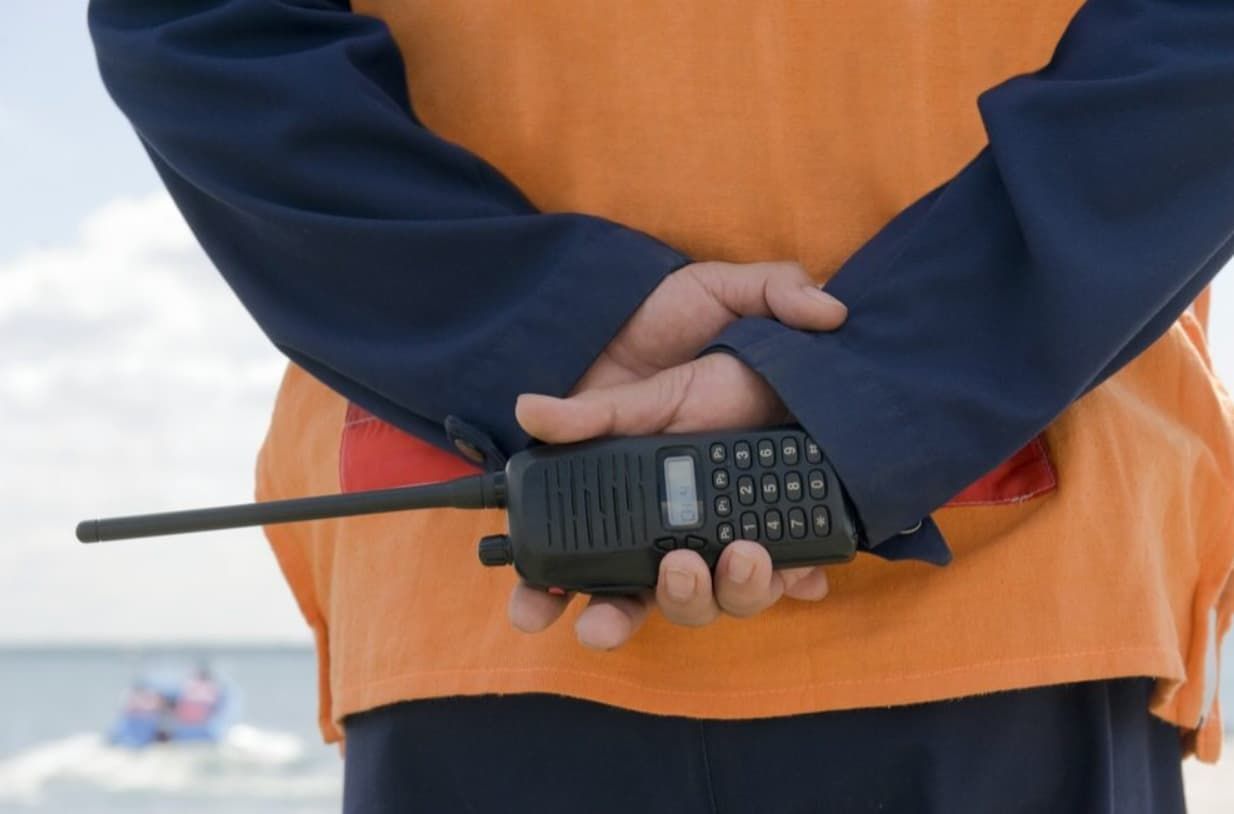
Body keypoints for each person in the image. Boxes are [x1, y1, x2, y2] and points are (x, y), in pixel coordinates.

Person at [89, 1, 1234, 811]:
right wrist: (874, 383)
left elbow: (202, 28)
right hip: (1029, 548)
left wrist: (544, 328)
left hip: (464, 576)